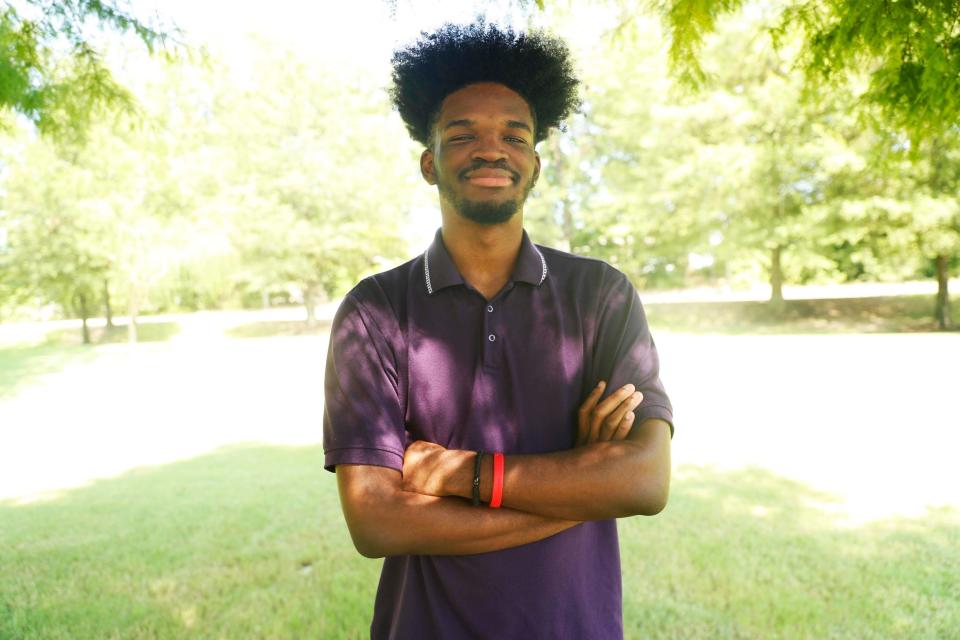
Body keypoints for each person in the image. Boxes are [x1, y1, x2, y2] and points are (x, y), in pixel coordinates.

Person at [323, 21, 674, 640]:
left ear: (535, 164)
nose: (492, 149)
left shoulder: (602, 296)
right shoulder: (374, 311)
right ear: (430, 163)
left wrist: (460, 475)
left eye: (514, 135)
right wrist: (582, 482)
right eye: (463, 136)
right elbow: (376, 523)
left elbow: (644, 481)